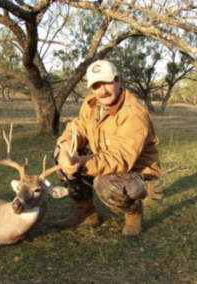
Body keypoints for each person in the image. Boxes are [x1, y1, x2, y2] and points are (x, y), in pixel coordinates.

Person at [53, 59, 163, 237]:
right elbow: (77, 129)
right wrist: (65, 149)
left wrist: (81, 163)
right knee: (60, 156)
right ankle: (86, 213)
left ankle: (134, 213)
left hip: (134, 169)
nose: (102, 91)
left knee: (105, 183)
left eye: (107, 83)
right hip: (105, 161)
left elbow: (121, 158)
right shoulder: (91, 104)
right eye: (96, 86)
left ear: (118, 80)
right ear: (91, 88)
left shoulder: (134, 113)